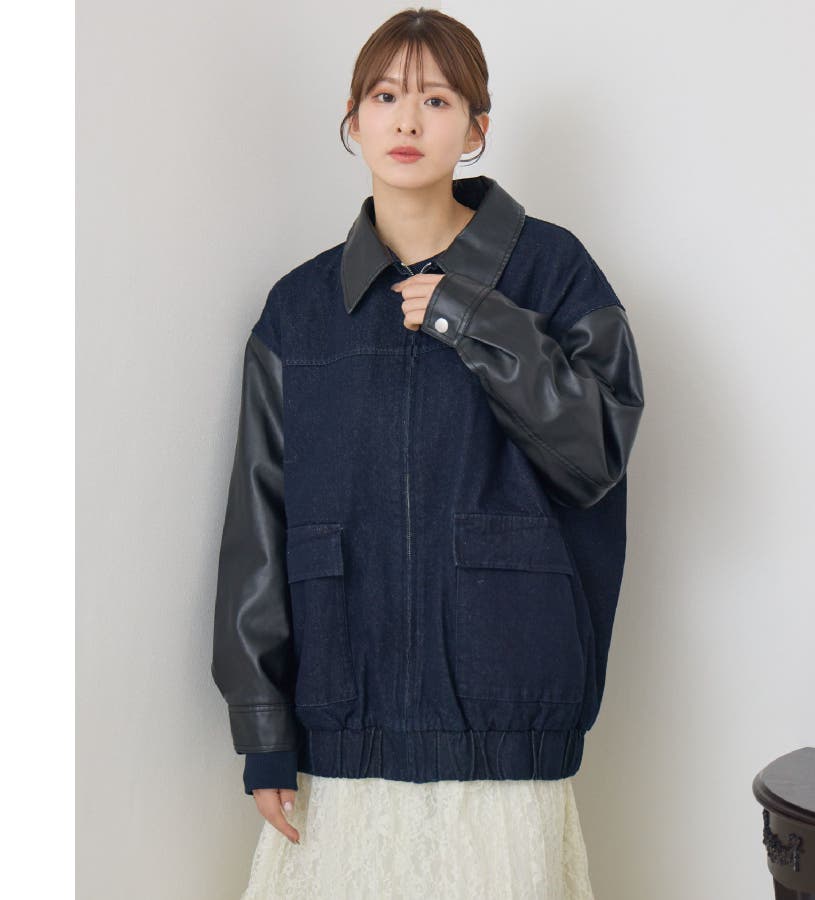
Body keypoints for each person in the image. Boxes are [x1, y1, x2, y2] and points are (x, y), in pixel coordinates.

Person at [211, 7, 645, 898]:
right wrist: (263, 727)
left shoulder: (555, 272)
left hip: (506, 717)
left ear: (476, 128)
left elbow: (596, 454)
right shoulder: (298, 309)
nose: (407, 120)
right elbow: (259, 520)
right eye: (385, 96)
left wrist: (474, 319)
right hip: (342, 720)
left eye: (437, 99)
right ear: (353, 117)